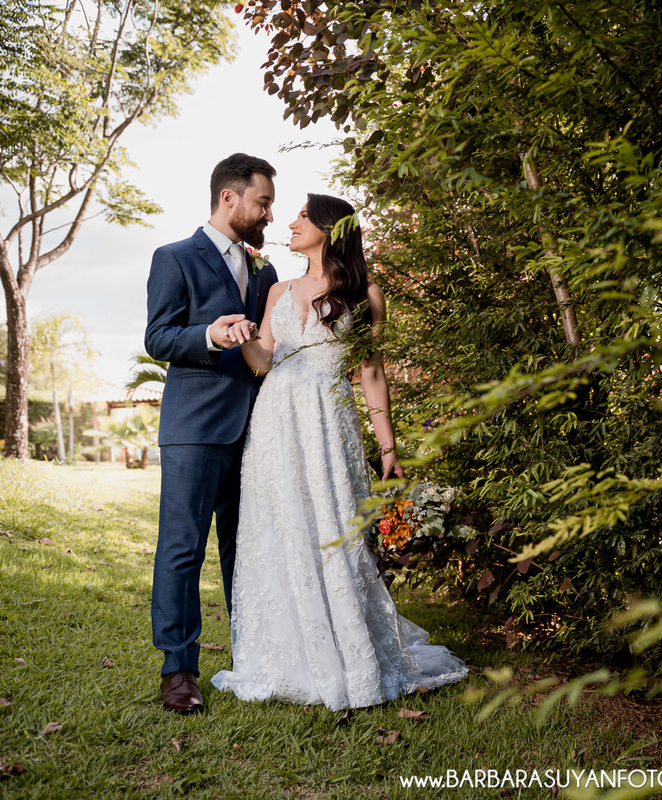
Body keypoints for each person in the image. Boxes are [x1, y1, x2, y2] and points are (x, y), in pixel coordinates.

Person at [210, 194, 468, 710]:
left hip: (330, 420)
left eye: (303, 216)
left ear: (330, 228)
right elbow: (263, 362)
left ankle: (349, 649)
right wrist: (240, 337)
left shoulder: (364, 292)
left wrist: (388, 448)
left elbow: (371, 372)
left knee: (333, 525)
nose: (290, 222)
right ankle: (290, 652)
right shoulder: (278, 290)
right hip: (277, 422)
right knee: (282, 524)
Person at [145, 153, 279, 713]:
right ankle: (179, 670)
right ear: (230, 197)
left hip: (258, 432)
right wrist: (209, 336)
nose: (269, 214)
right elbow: (158, 337)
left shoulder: (266, 271)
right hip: (196, 429)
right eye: (263, 202)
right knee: (183, 549)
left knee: (246, 550)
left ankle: (254, 655)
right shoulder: (174, 257)